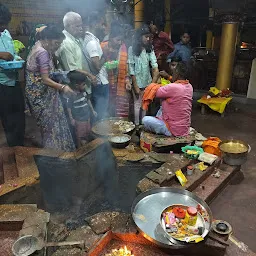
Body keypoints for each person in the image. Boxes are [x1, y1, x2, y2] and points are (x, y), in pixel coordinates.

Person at [25, 25, 76, 151]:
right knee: (52, 126)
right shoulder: (43, 53)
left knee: (46, 127)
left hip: (34, 95)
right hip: (42, 96)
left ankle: (53, 152)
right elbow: (45, 79)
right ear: (47, 39)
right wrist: (63, 87)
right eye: (56, 43)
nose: (57, 46)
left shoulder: (38, 45)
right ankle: (56, 153)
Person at [142, 62, 193, 137]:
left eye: (174, 71)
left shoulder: (172, 87)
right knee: (162, 107)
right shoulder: (189, 86)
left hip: (172, 130)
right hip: (183, 128)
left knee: (145, 120)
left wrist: (155, 77)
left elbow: (150, 91)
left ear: (177, 73)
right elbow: (176, 84)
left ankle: (164, 130)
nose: (172, 73)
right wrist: (168, 77)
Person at [0, 4, 25, 147]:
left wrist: (17, 58)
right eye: (0, 24)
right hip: (1, 83)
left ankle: (19, 146)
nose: (3, 27)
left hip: (13, 80)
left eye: (5, 24)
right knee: (8, 117)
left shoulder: (6, 33)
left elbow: (12, 53)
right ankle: (12, 148)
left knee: (19, 114)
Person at [127, 25, 159, 126]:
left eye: (149, 37)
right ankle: (137, 125)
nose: (148, 39)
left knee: (145, 103)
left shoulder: (150, 48)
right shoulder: (131, 49)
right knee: (137, 104)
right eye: (146, 37)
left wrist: (152, 85)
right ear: (139, 37)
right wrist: (135, 86)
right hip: (137, 81)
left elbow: (154, 65)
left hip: (147, 81)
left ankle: (143, 125)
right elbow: (131, 69)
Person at [101, 24, 131, 118]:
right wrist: (107, 54)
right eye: (117, 40)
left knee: (121, 111)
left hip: (120, 85)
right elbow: (98, 66)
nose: (120, 42)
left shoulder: (123, 48)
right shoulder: (102, 47)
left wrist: (127, 81)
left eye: (121, 40)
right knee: (107, 110)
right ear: (110, 38)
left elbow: (126, 66)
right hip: (106, 85)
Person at [83, 14, 109, 121]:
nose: (104, 27)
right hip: (100, 83)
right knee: (100, 113)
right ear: (94, 24)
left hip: (98, 82)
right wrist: (105, 55)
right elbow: (97, 66)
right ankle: (100, 135)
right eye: (102, 24)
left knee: (99, 112)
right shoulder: (92, 42)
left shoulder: (90, 39)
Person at [67, 71, 97, 147]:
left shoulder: (84, 92)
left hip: (87, 119)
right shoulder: (72, 95)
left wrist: (93, 110)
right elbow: (69, 107)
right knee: (80, 137)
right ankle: (81, 151)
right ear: (77, 85)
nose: (85, 86)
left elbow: (88, 100)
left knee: (88, 134)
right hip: (79, 121)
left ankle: (88, 148)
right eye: (83, 84)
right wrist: (71, 119)